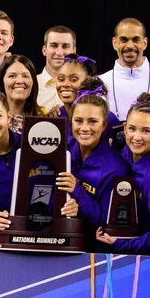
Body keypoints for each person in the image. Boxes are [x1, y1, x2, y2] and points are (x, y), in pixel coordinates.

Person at [0, 90, 78, 253]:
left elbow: (54, 190)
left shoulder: (36, 148)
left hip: (43, 241)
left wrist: (67, 206)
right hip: (0, 247)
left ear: (9, 116)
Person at [96, 96, 150, 255]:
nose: (137, 137)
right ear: (124, 128)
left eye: (146, 131)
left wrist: (123, 244)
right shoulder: (127, 152)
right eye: (132, 129)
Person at [55, 77, 131, 240]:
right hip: (56, 237)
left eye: (92, 122)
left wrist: (77, 191)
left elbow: (107, 221)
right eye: (78, 121)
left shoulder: (116, 169)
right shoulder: (60, 152)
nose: (84, 128)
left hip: (90, 249)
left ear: (104, 125)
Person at [98, 18, 150, 121]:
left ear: (144, 43)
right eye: (124, 40)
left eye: (136, 40)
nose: (129, 46)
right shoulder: (99, 84)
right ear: (114, 43)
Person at [52, 55, 122, 139]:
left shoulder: (108, 118)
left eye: (74, 79)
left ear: (88, 80)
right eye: (61, 79)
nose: (65, 84)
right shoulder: (55, 118)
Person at [0, 54, 45, 134]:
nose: (19, 81)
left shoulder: (43, 116)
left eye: (25, 76)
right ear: (2, 81)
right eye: (12, 76)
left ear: (33, 82)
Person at [37, 26, 77, 113]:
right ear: (44, 50)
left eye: (65, 46)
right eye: (54, 46)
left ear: (74, 52)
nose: (59, 53)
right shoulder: (31, 84)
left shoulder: (83, 86)